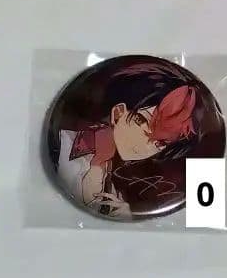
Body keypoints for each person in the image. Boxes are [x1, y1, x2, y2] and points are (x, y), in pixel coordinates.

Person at [55, 60, 202, 219]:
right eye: (140, 121)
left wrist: (125, 213)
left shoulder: (114, 177)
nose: (145, 144)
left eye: (160, 142)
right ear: (118, 113)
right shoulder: (63, 144)